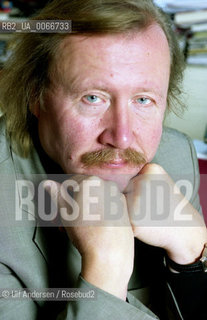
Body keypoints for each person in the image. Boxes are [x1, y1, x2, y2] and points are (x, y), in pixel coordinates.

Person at [0, 0, 206, 319]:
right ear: (35, 96)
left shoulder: (175, 156)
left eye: (143, 100)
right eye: (93, 98)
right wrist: (106, 270)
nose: (121, 137)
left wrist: (192, 258)